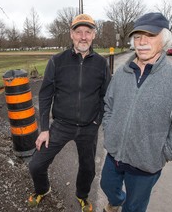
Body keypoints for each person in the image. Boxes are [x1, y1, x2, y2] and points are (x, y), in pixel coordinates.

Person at [100, 12, 172, 212]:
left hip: (146, 165)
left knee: (134, 207)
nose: (142, 42)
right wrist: (110, 130)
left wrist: (163, 152)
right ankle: (115, 201)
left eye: (150, 36)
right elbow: (109, 106)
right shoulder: (122, 73)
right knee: (107, 185)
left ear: (164, 39)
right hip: (114, 154)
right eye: (138, 37)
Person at [28, 13, 111, 212]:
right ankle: (43, 189)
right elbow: (45, 96)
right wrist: (45, 129)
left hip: (88, 128)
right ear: (71, 35)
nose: (83, 37)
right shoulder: (57, 61)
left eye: (88, 32)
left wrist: (96, 122)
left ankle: (82, 195)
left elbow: (106, 96)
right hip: (61, 126)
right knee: (36, 165)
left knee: (88, 168)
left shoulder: (101, 63)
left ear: (93, 35)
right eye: (79, 32)